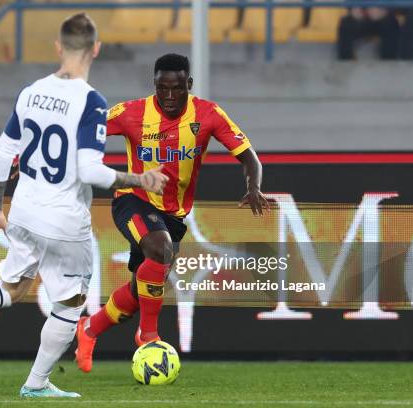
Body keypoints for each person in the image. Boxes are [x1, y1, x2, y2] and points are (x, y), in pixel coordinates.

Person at [0, 13, 168, 398]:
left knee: (13, 285)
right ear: (96, 50)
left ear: (58, 48)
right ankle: (36, 384)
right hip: (64, 220)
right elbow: (90, 170)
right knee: (70, 303)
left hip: (22, 210)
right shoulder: (91, 101)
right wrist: (140, 179)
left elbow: (5, 152)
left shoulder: (30, 92)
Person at [74, 53, 269, 373]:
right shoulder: (131, 112)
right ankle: (148, 336)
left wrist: (253, 186)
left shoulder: (209, 114)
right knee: (160, 249)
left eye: (176, 88)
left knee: (141, 288)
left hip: (174, 215)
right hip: (133, 200)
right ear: (154, 85)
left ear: (188, 85)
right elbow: (84, 128)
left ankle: (90, 329)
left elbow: (249, 157)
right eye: (161, 88)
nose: (168, 96)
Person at [337, 2, 401, 60]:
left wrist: (384, 11)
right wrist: (354, 10)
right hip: (360, 19)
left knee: (391, 23)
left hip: (383, 17)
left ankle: (389, 62)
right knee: (345, 23)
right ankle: (345, 62)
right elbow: (349, 3)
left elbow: (397, 4)